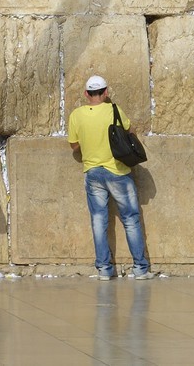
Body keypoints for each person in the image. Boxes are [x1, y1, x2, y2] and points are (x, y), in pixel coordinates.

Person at [67, 75, 153, 281]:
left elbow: (74, 145)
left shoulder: (76, 115)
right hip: (118, 172)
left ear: (86, 94)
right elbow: (129, 131)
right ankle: (140, 268)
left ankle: (104, 269)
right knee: (131, 219)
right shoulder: (114, 109)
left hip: (93, 173)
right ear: (105, 92)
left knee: (98, 220)